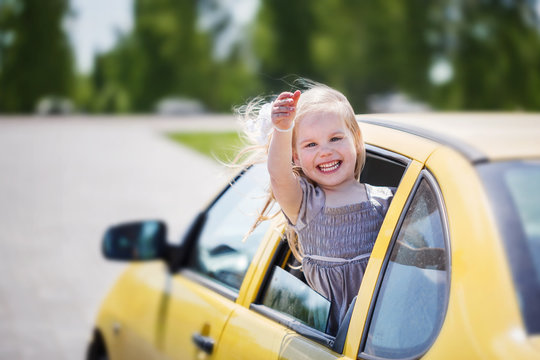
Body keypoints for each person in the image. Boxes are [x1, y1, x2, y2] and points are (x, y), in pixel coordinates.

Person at [236, 81, 394, 335]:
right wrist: (282, 129)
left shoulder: (385, 201)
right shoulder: (306, 205)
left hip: (383, 333)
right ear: (295, 157)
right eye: (311, 145)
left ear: (355, 139)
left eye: (335, 138)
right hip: (334, 341)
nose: (326, 151)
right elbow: (279, 175)